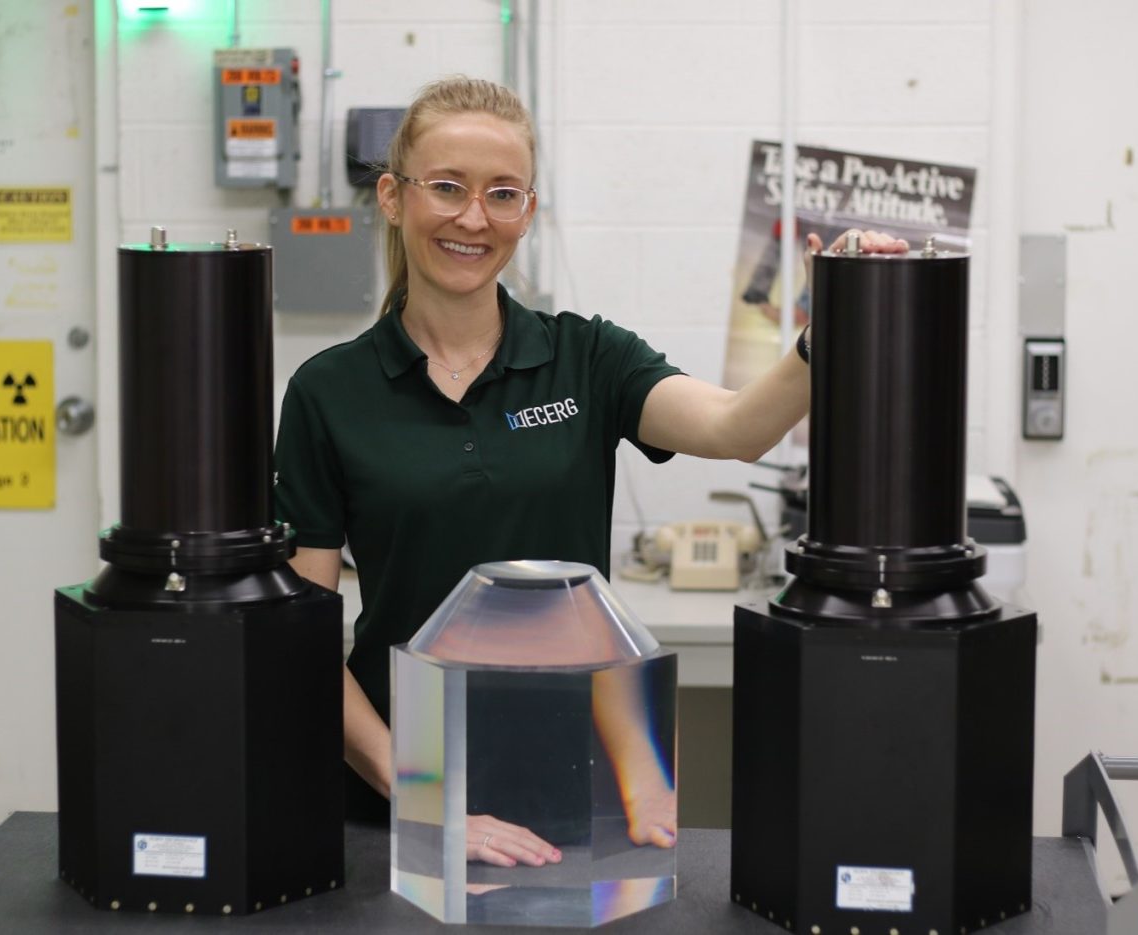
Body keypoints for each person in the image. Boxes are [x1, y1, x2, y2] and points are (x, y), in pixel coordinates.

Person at [273, 75, 907, 865]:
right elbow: (298, 636)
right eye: (447, 187)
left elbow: (736, 427)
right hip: (398, 796)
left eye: (502, 193)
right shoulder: (328, 392)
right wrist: (423, 796)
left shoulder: (587, 359)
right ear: (395, 199)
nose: (474, 217)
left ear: (527, 213)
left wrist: (826, 324)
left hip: (567, 789)